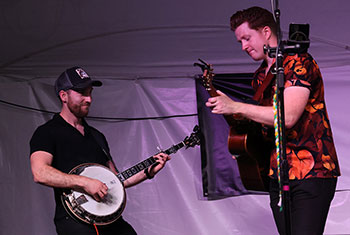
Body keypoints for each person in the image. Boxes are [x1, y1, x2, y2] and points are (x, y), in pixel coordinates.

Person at [205, 6, 340, 235]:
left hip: (311, 171)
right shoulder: (260, 76)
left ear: (266, 31)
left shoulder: (298, 61)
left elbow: (287, 117)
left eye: (247, 38)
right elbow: (265, 123)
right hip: (278, 173)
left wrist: (236, 106)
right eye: (240, 41)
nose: (244, 47)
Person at [30, 66, 171, 235]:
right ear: (63, 96)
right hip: (75, 221)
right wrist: (85, 183)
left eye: (90, 93)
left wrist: (148, 172)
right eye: (82, 93)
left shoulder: (97, 136)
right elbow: (40, 173)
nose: (89, 99)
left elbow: (116, 180)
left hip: (109, 219)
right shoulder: (47, 132)